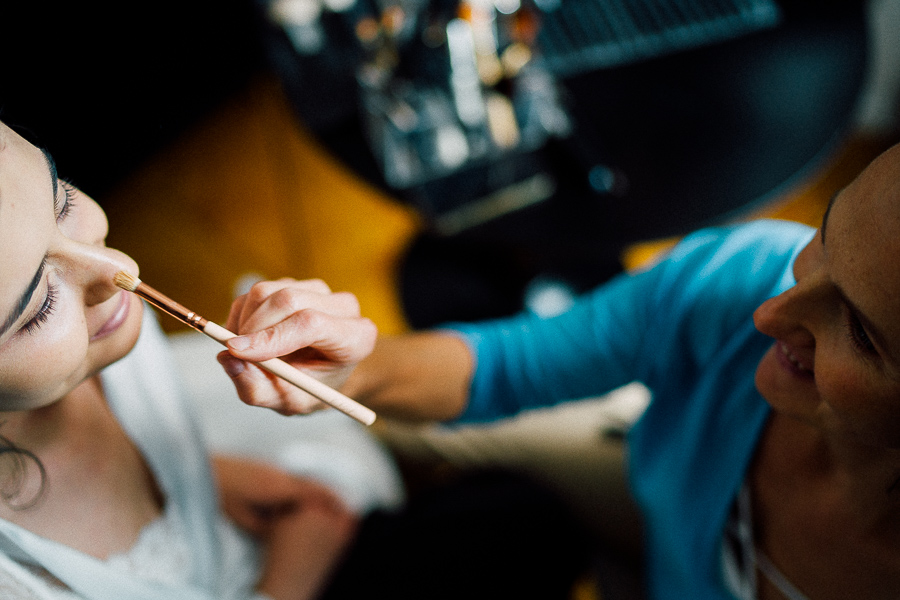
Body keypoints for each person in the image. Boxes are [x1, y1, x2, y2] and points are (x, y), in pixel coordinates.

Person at [217, 139, 900, 600]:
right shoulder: (740, 277)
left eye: (862, 335)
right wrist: (350, 370)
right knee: (406, 429)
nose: (771, 313)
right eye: (826, 234)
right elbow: (506, 366)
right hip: (648, 494)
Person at [0, 119, 590, 600]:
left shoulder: (96, 332)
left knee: (530, 518)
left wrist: (193, 483)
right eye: (39, 303)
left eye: (61, 199)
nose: (118, 268)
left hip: (268, 531)